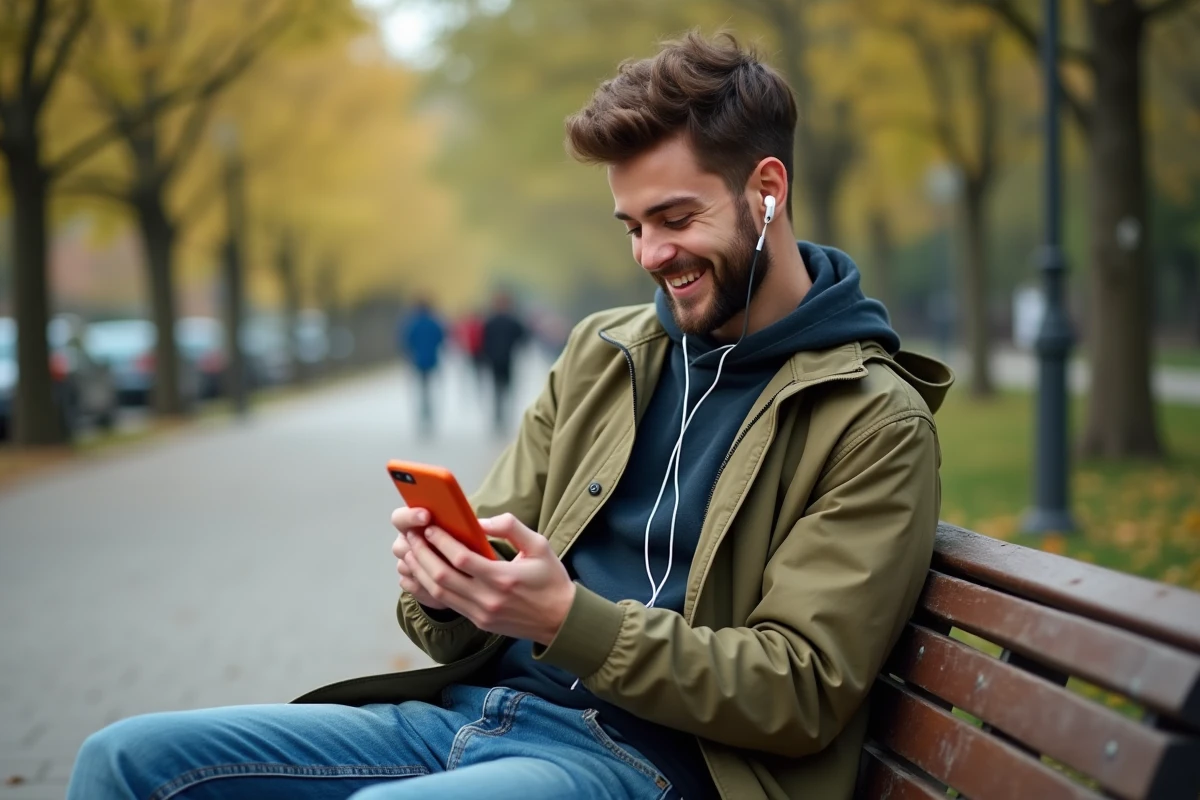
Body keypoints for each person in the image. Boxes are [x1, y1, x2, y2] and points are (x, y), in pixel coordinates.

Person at [67, 32, 953, 800]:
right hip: (468, 717)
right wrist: (447, 584)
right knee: (128, 763)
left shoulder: (872, 421)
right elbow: (491, 564)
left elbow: (798, 692)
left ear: (767, 189)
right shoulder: (606, 353)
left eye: (676, 218)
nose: (652, 254)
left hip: (651, 765)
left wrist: (568, 621)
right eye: (632, 226)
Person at [481, 291, 527, 434]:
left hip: (497, 359)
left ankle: (499, 417)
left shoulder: (490, 321)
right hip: (506, 359)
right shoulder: (512, 321)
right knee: (505, 389)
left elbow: (484, 339)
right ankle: (503, 416)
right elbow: (523, 337)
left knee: (498, 389)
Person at [398, 300, 445, 435]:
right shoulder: (434, 322)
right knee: (429, 389)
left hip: (418, 361)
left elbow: (406, 341)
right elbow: (441, 338)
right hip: (431, 360)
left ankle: (423, 415)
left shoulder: (413, 323)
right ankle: (428, 415)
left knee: (421, 389)